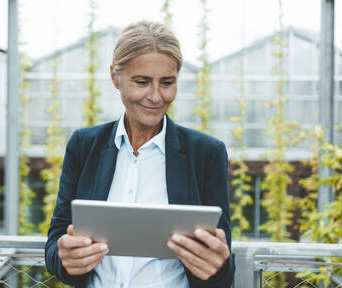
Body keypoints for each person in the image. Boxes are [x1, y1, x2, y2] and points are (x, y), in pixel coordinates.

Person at [45, 20, 235, 287]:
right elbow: (55, 244)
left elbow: (222, 268)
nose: (156, 97)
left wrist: (217, 266)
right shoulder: (84, 146)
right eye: (142, 82)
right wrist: (64, 257)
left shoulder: (206, 153)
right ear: (115, 77)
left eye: (167, 83)